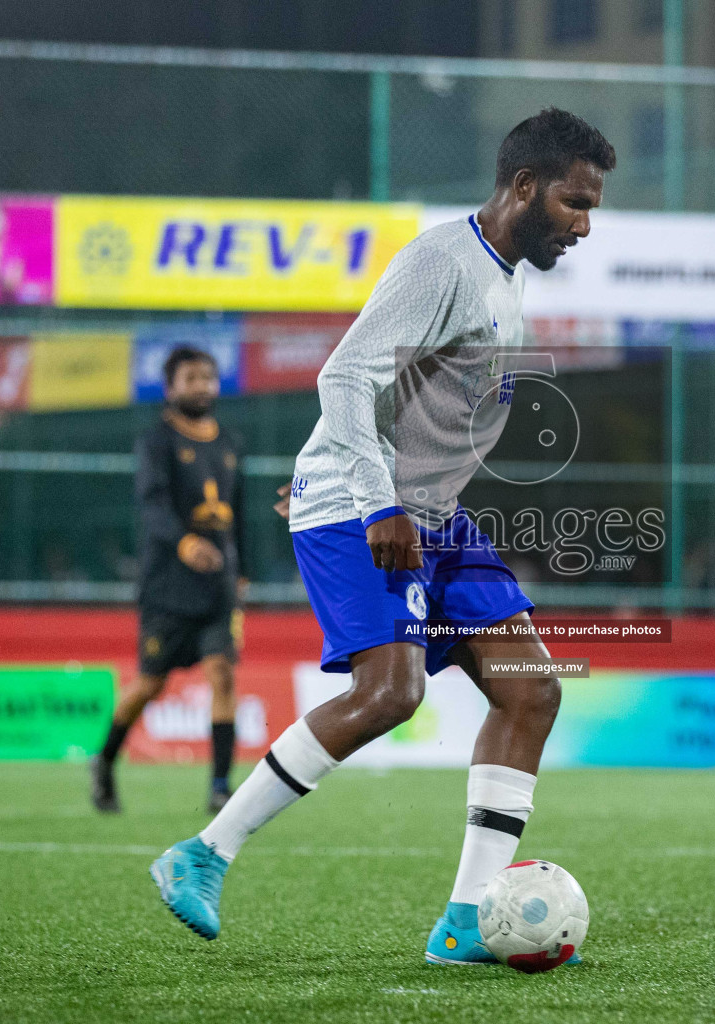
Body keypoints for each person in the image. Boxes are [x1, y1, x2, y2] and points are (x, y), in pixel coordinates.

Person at [149, 108, 615, 966]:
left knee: (531, 691)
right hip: (369, 515)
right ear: (523, 186)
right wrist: (371, 501)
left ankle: (468, 922)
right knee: (391, 694)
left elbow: (416, 409)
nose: (584, 224)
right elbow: (343, 374)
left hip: (430, 516)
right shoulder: (441, 262)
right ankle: (202, 852)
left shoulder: (505, 276)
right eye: (574, 203)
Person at [92, 347, 246, 815]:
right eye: (190, 378)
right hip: (168, 588)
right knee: (149, 686)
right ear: (170, 387)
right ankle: (104, 760)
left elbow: (239, 517)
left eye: (209, 376)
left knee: (222, 675)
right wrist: (183, 544)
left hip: (218, 586)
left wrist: (244, 574)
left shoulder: (230, 441)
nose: (201, 385)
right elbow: (152, 505)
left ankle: (220, 786)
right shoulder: (155, 441)